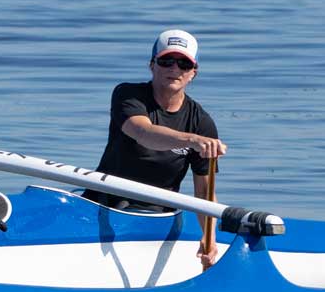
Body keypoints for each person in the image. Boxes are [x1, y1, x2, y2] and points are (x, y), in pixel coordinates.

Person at [92, 28, 226, 261]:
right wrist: (191, 140)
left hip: (157, 214)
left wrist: (209, 239)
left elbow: (204, 192)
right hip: (105, 202)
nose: (174, 69)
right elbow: (143, 132)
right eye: (166, 61)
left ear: (193, 73)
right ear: (152, 65)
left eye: (183, 64)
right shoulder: (128, 95)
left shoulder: (201, 122)